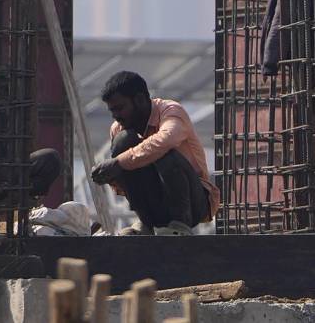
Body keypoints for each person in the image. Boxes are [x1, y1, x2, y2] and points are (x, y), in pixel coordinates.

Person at [90, 71, 220, 235]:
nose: (116, 116)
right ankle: (146, 223)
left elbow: (166, 140)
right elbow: (125, 183)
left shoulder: (171, 111)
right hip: (155, 204)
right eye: (112, 111)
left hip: (194, 203)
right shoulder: (117, 129)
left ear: (139, 100)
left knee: (163, 151)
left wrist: (119, 163)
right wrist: (110, 176)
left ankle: (180, 226)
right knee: (123, 141)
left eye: (120, 108)